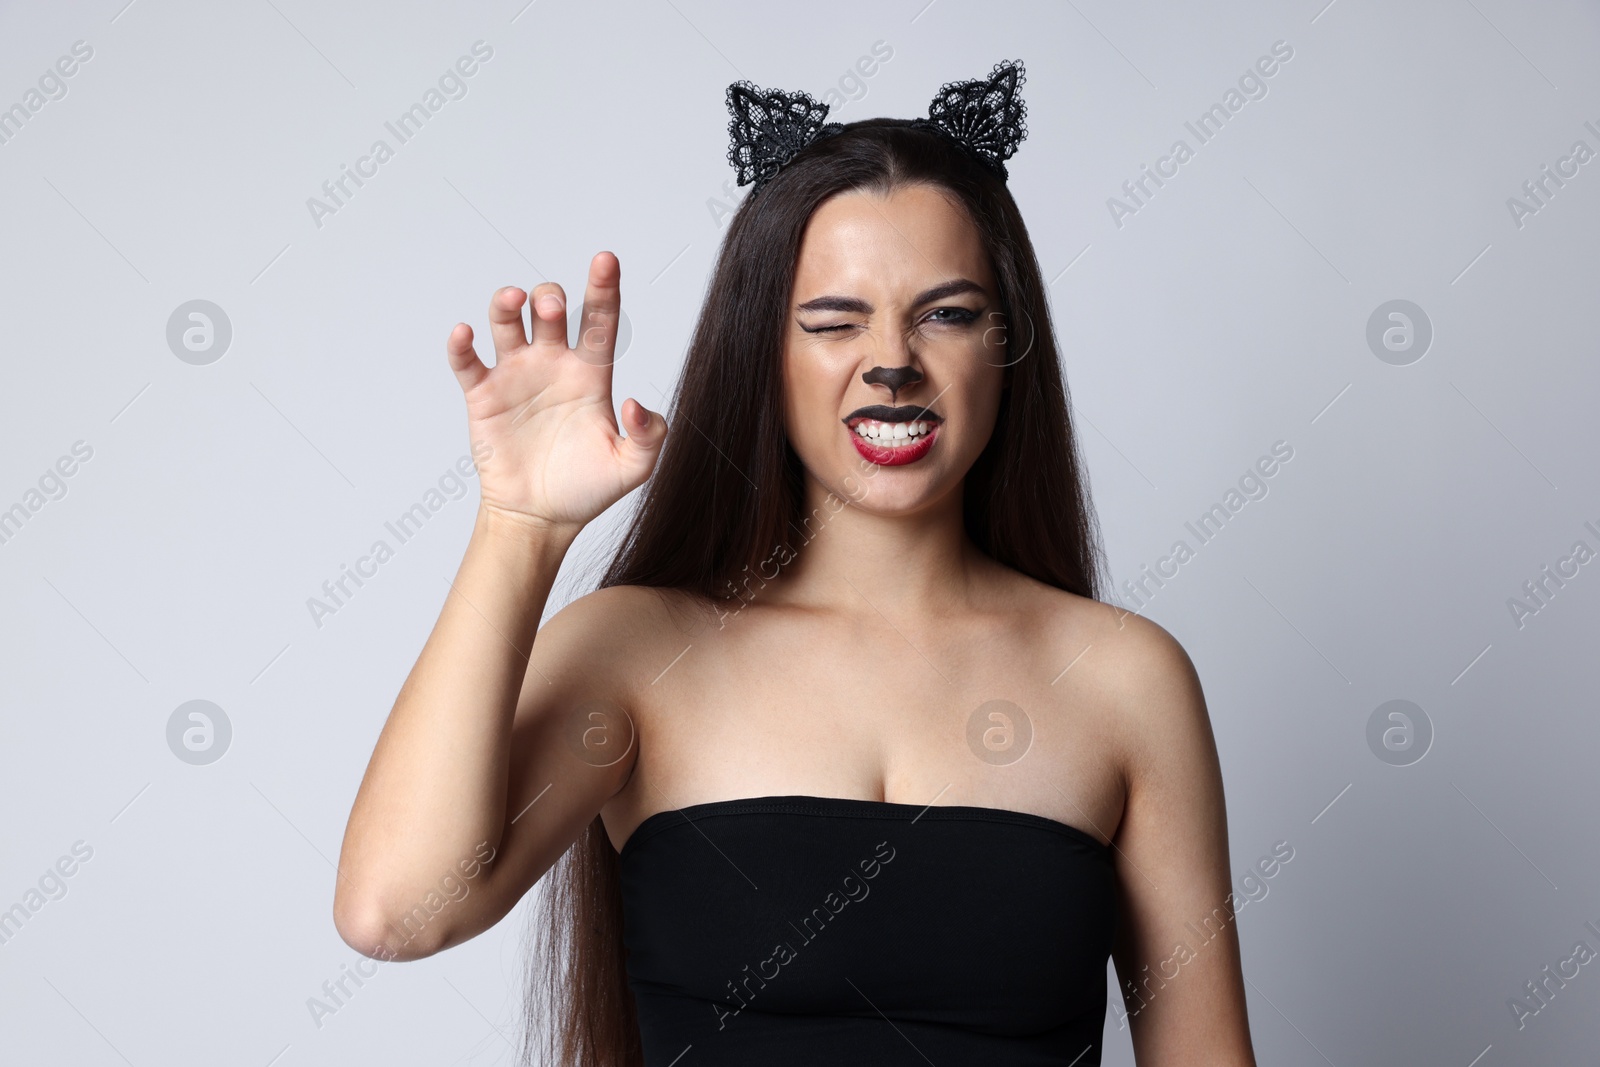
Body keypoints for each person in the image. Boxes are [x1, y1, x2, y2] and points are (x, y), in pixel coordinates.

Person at [333, 60, 1257, 1067]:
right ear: (763, 351)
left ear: (1008, 343)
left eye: (946, 313)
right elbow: (394, 912)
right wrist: (520, 524)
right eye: (832, 321)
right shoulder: (641, 651)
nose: (891, 359)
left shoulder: (1124, 677)